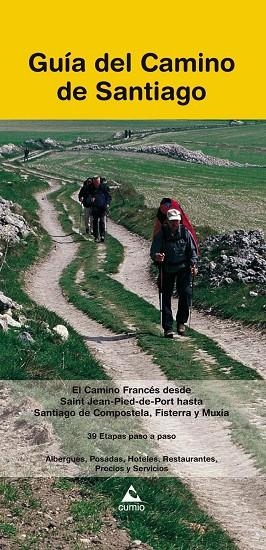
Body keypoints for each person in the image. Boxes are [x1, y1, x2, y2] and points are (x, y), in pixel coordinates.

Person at [150, 208, 198, 338]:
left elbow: (193, 250)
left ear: (179, 221)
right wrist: (157, 257)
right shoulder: (162, 234)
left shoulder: (185, 233)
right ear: (167, 222)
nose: (174, 224)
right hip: (167, 269)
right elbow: (153, 252)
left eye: (176, 221)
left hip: (183, 268)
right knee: (166, 297)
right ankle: (168, 327)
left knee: (186, 294)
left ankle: (181, 322)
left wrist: (193, 264)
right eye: (172, 222)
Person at [78, 176, 111, 242]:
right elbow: (86, 194)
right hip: (94, 207)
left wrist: (107, 203)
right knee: (95, 221)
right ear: (93, 181)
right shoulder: (90, 187)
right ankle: (96, 236)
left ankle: (102, 236)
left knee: (101, 221)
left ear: (99, 181)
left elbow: (108, 197)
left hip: (102, 207)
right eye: (95, 182)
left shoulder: (103, 187)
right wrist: (87, 199)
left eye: (97, 182)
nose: (96, 184)